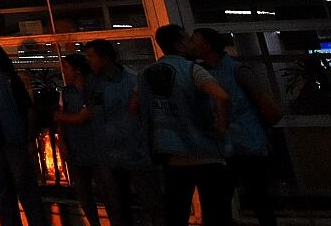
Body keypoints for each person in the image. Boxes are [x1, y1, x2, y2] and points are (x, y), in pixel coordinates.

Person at [138, 24, 232, 226]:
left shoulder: (146, 74)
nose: (193, 45)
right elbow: (222, 96)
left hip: (171, 155)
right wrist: (222, 127)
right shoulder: (191, 69)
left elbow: (135, 106)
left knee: (175, 213)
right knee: (216, 214)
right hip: (204, 152)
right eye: (189, 40)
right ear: (179, 45)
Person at [191, 28, 281, 226]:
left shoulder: (234, 70)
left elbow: (262, 101)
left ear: (207, 46)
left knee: (253, 199)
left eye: (194, 41)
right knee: (245, 199)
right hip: (235, 145)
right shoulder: (210, 71)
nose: (191, 45)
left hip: (243, 145)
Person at [83, 40, 160, 226]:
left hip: (135, 153)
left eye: (91, 57)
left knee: (152, 204)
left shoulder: (133, 80)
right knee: (117, 207)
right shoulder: (93, 83)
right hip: (109, 156)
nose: (88, 62)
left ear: (106, 58)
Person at [0, 44, 47, 226]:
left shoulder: (10, 80)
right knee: (3, 187)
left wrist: (29, 135)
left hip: (13, 139)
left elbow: (27, 108)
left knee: (24, 186)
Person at [55, 54, 103, 226]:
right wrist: (62, 141)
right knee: (84, 192)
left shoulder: (91, 90)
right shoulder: (66, 92)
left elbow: (82, 117)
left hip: (96, 147)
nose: (64, 72)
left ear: (77, 70)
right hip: (76, 148)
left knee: (105, 191)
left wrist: (62, 117)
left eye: (66, 68)